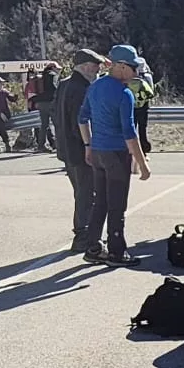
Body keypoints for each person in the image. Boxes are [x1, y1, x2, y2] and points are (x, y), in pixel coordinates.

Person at [77, 45, 152, 266]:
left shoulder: (95, 86)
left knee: (100, 200)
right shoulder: (124, 93)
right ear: (120, 67)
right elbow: (130, 132)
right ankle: (117, 251)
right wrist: (143, 165)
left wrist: (88, 145)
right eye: (133, 67)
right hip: (116, 154)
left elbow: (82, 118)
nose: (136, 72)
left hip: (99, 151)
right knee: (117, 204)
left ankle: (93, 246)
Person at [55, 52, 103, 252]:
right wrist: (89, 145)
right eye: (95, 66)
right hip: (79, 148)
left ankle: (85, 233)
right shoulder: (81, 88)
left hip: (66, 148)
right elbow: (81, 121)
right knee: (87, 193)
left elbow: (55, 115)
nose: (98, 70)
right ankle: (83, 236)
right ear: (84, 66)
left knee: (81, 192)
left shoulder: (65, 84)